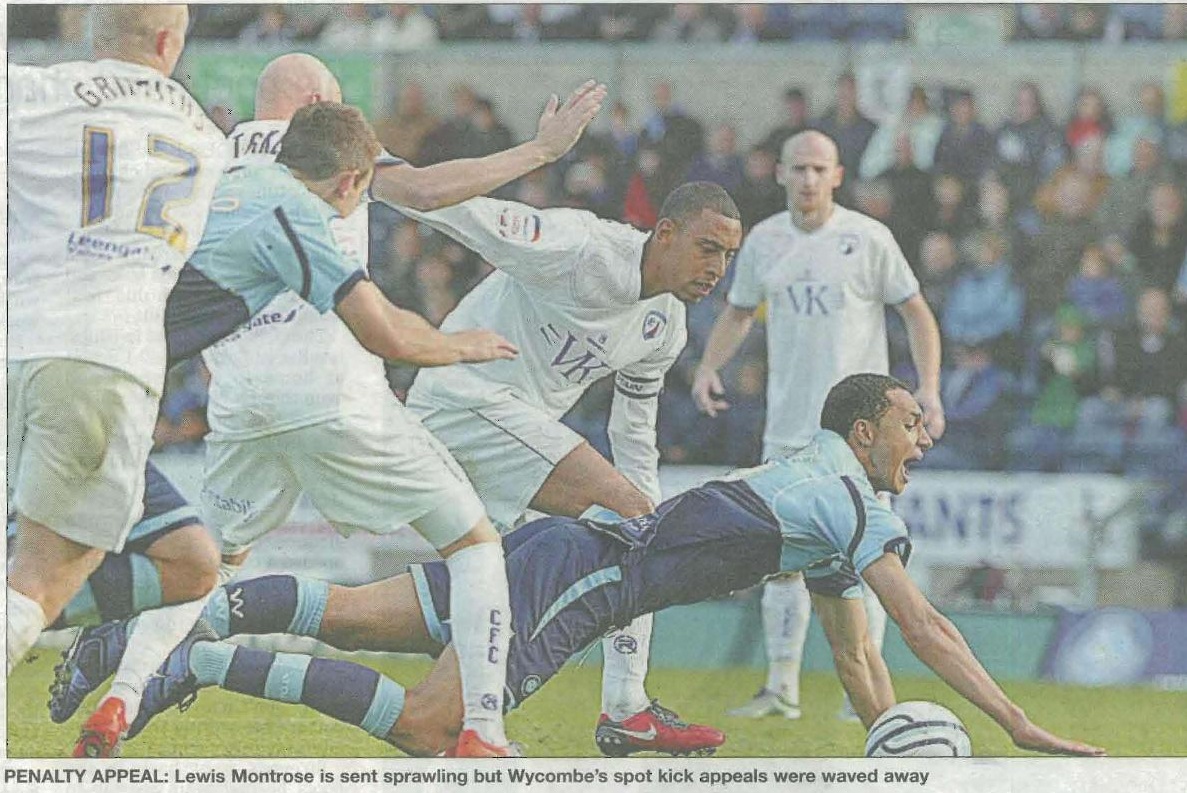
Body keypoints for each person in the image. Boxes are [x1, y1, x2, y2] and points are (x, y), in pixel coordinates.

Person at [50, 55, 607, 759]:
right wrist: (541, 150)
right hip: (333, 390)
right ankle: (482, 731)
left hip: (240, 404)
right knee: (474, 544)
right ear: (317, 107)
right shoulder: (333, 161)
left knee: (205, 567)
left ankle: (118, 701)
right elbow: (431, 192)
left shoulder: (210, 161)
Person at [131, 374, 1105, 759]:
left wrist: (884, 739)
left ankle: (170, 631)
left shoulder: (821, 490)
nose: (922, 435)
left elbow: (860, 657)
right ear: (863, 430)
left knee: (349, 612)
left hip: (560, 543)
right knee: (434, 726)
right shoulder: (856, 502)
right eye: (908, 421)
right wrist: (1014, 722)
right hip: (586, 575)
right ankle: (203, 662)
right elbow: (924, 626)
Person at [398, 181, 742, 756]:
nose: (718, 268)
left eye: (728, 256)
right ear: (666, 233)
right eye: (708, 247)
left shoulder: (666, 327)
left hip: (506, 434)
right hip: (461, 402)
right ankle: (626, 708)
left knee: (499, 586)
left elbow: (633, 436)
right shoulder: (582, 247)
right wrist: (375, 178)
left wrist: (645, 514)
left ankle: (449, 727)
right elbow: (469, 216)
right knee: (622, 529)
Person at [6, 3, 228, 756]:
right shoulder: (204, 135)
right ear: (169, 42)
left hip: (20, 343)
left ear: (89, 36)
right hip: (104, 362)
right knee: (35, 581)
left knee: (187, 561)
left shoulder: (36, 93)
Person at [690, 130, 945, 722]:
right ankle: (781, 688)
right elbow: (737, 312)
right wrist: (707, 366)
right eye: (798, 168)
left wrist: (927, 388)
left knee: (872, 556)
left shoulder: (868, 237)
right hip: (790, 427)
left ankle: (868, 696)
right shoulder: (763, 241)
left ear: (837, 175)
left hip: (864, 436)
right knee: (780, 555)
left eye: (819, 169)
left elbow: (917, 314)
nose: (808, 178)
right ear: (780, 173)